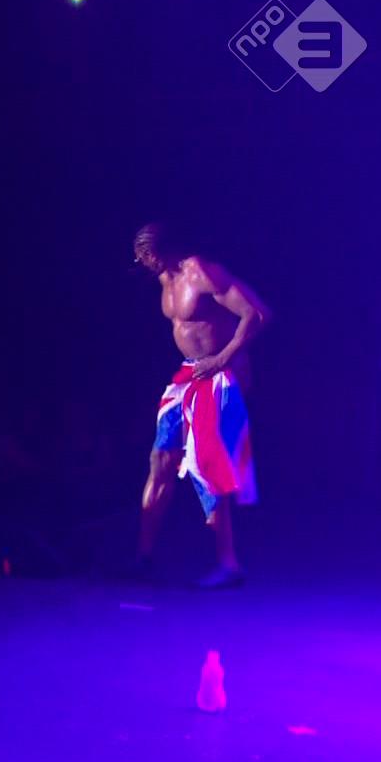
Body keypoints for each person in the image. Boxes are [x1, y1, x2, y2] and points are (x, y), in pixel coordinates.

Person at [131, 223, 273, 587]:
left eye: (145, 255)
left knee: (204, 464)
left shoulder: (202, 272)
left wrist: (223, 358)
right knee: (161, 460)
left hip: (221, 374)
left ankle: (229, 564)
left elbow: (257, 314)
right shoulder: (164, 279)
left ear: (160, 249)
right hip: (191, 374)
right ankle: (143, 557)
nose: (142, 262)